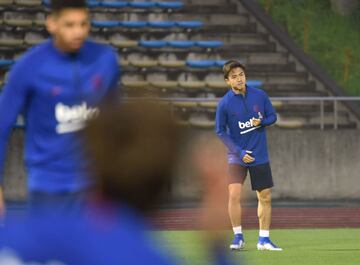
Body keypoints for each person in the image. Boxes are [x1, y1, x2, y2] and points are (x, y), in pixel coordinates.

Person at [0, 101, 237, 265]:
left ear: (90, 161)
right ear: (166, 178)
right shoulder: (147, 258)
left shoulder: (17, 233)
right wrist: (217, 245)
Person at [0, 0, 120, 215]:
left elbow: (117, 120)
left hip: (94, 185)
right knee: (47, 249)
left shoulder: (105, 60)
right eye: (70, 24)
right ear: (52, 24)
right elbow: (1, 126)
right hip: (48, 186)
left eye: (83, 24)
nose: (78, 32)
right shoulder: (28, 67)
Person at [215, 60, 282, 251]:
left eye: (241, 75)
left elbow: (272, 116)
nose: (239, 79)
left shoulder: (260, 95)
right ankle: (238, 236)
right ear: (227, 81)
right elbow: (220, 131)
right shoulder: (224, 104)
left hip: (259, 154)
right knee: (234, 194)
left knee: (266, 196)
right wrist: (239, 152)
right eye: (234, 76)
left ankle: (264, 240)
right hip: (237, 156)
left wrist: (261, 121)